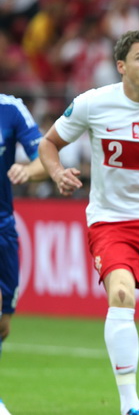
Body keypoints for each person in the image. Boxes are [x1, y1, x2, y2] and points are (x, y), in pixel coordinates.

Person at [37, 29, 139, 415]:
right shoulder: (93, 103)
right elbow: (49, 143)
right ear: (121, 66)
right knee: (120, 295)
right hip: (111, 221)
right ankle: (130, 405)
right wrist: (57, 172)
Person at [1, 95, 47, 415]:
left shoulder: (11, 109)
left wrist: (29, 171)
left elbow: (45, 158)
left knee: (3, 324)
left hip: (3, 228)